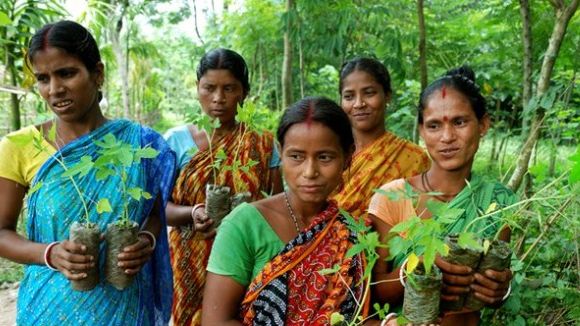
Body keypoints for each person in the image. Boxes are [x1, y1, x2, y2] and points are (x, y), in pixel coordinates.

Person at [0, 20, 176, 325]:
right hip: (49, 308)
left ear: (97, 73)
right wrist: (50, 253)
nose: (54, 89)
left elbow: (155, 212)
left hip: (124, 306)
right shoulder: (19, 146)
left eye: (66, 73)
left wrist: (146, 239)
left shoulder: (139, 145)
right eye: (43, 78)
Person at [368, 66, 515, 325]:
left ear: (483, 124)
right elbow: (375, 293)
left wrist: (500, 290)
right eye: (434, 125)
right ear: (422, 131)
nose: (447, 137)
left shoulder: (500, 201)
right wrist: (413, 268)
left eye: (459, 122)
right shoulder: (392, 197)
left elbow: (491, 291)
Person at [202, 96, 367, 325]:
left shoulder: (350, 232)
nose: (310, 171)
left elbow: (356, 316)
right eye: (296, 156)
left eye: (325, 157)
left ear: (347, 157)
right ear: (280, 153)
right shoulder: (244, 224)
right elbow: (216, 321)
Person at [165, 48, 283, 325]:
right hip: (188, 263)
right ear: (197, 88)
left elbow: (277, 206)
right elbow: (159, 208)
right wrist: (191, 213)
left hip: (247, 262)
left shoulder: (262, 144)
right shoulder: (176, 141)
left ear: (244, 92)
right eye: (209, 88)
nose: (218, 98)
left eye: (229, 88)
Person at [333, 57, 430, 221]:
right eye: (349, 96)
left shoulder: (413, 158)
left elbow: (421, 220)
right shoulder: (328, 153)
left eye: (369, 93)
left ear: (387, 96)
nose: (359, 104)